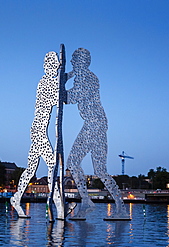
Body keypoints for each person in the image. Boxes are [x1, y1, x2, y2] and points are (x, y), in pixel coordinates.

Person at [66, 48, 127, 219]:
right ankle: (119, 208)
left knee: (73, 162)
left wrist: (58, 86)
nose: (71, 63)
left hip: (94, 125)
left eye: (73, 60)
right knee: (100, 170)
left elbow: (71, 97)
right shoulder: (84, 76)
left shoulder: (87, 78)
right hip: (96, 124)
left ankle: (87, 201)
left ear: (81, 62)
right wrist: (68, 76)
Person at [11, 51, 62, 218]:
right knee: (52, 165)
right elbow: (58, 99)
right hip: (38, 131)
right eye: (52, 66)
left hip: (37, 130)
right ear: (46, 67)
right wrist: (64, 80)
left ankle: (17, 198)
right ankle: (57, 201)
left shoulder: (51, 81)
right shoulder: (45, 83)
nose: (53, 69)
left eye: (56, 66)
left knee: (31, 169)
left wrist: (66, 76)